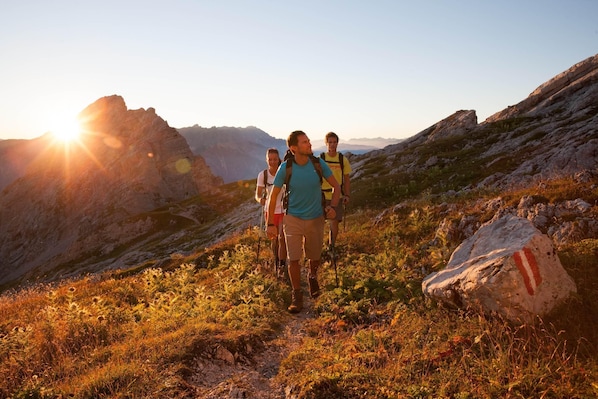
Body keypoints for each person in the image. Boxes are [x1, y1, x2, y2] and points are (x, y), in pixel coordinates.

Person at [266, 131, 341, 313]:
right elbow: (273, 196)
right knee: (293, 258)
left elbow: (336, 186)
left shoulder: (318, 164)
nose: (309, 144)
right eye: (305, 142)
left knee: (314, 256)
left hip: (316, 218)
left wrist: (332, 206)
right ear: (294, 148)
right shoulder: (286, 168)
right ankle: (296, 294)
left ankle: (312, 277)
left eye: (308, 141)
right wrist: (270, 223)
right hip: (292, 218)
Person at [255, 148, 287, 278]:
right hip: (271, 211)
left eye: (275, 159)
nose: (272, 162)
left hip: (284, 210)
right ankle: (277, 259)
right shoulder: (263, 175)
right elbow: (257, 194)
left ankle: (282, 265)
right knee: (274, 240)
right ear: (266, 160)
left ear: (278, 158)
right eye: (270, 160)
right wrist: (261, 199)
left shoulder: (284, 172)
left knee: (283, 238)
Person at [320, 132, 352, 249]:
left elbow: (347, 180)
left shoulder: (342, 160)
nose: (332, 145)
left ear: (337, 143)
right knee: (319, 223)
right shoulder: (321, 159)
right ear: (326, 143)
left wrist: (347, 195)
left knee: (334, 223)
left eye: (334, 142)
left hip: (337, 196)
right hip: (322, 196)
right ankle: (319, 246)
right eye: (330, 142)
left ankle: (331, 246)